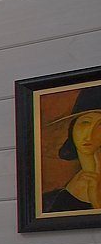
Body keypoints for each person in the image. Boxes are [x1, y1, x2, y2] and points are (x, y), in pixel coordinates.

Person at [42, 85, 101, 214]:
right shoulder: (52, 198)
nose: (90, 135)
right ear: (72, 128)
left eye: (100, 125)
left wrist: (96, 200)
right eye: (85, 123)